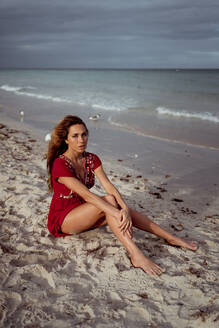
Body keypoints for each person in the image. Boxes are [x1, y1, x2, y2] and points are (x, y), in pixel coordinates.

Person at [47, 115, 197, 276]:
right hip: (64, 220)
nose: (81, 140)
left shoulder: (91, 159)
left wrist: (124, 209)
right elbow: (87, 195)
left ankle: (171, 237)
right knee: (111, 203)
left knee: (119, 207)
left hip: (85, 213)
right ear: (66, 140)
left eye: (84, 134)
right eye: (75, 136)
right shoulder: (60, 164)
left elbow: (108, 186)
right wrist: (118, 212)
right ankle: (136, 255)